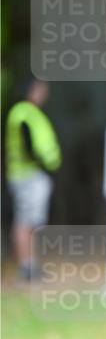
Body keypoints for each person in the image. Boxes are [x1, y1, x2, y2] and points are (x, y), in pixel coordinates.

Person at [5, 79, 61, 280]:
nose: (44, 94)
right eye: (41, 90)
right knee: (24, 221)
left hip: (32, 175)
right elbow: (27, 144)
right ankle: (26, 266)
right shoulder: (23, 113)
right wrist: (42, 164)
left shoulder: (32, 113)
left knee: (32, 223)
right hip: (27, 175)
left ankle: (31, 266)